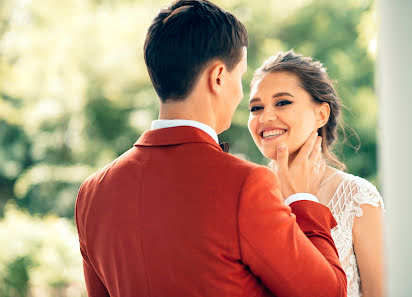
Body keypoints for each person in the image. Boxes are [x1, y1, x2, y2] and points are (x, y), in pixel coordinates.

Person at [75, 1, 347, 296]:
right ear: (218, 77)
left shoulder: (92, 193)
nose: (241, 94)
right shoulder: (246, 184)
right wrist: (303, 200)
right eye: (240, 77)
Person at [247, 50, 385, 297]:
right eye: (256, 107)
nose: (265, 117)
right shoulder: (245, 196)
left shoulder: (358, 199)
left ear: (321, 114)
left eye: (282, 102)